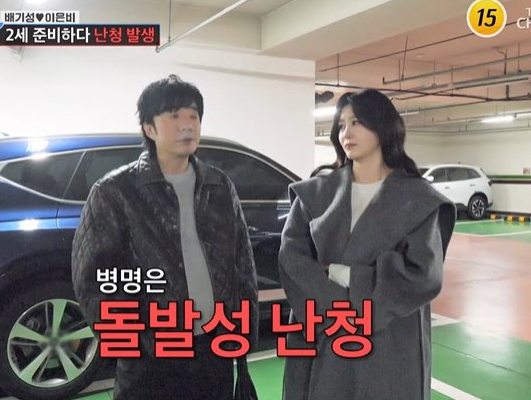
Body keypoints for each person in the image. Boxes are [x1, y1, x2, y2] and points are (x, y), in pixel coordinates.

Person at [71, 74, 258, 400]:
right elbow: (96, 278)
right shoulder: (116, 191)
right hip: (152, 357)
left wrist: (243, 328)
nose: (187, 125)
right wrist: (137, 340)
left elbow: (242, 263)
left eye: (193, 116)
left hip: (213, 346)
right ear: (149, 128)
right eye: (174, 116)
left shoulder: (218, 185)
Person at [279, 89, 456, 399]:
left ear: (382, 126)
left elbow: (423, 274)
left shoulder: (417, 199)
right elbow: (292, 261)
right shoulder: (315, 193)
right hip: (323, 332)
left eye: (357, 122)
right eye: (341, 125)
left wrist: (346, 276)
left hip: (389, 340)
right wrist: (339, 307)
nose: (346, 133)